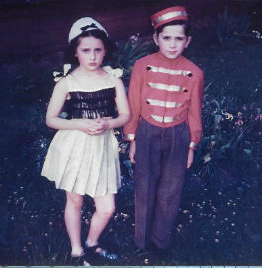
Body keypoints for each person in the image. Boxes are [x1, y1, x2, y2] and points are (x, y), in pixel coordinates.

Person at [41, 17, 130, 265]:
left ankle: (92, 241)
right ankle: (77, 249)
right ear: (75, 52)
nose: (92, 56)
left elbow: (125, 115)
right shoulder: (68, 82)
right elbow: (51, 119)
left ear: (105, 50)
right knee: (75, 199)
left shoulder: (113, 79)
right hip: (75, 147)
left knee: (106, 207)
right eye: (86, 50)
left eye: (98, 50)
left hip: (101, 147)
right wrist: (79, 123)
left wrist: (109, 123)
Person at [124, 6, 204, 253]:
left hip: (178, 133)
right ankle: (141, 241)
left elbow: (194, 111)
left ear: (187, 41)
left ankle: (161, 241)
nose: (172, 44)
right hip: (147, 131)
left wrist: (191, 145)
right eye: (166, 38)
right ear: (156, 38)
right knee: (145, 185)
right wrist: (132, 138)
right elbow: (134, 104)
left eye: (179, 38)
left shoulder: (195, 72)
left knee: (171, 188)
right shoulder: (141, 66)